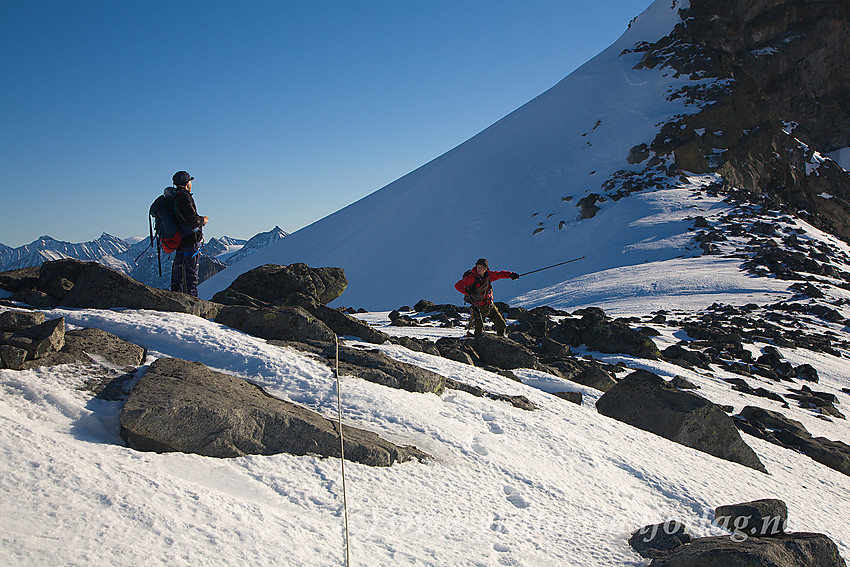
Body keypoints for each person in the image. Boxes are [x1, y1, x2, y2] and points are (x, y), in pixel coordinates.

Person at [165, 170, 209, 296]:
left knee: (178, 274)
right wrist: (203, 220)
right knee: (191, 275)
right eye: (190, 181)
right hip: (190, 240)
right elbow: (192, 220)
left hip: (179, 240)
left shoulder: (172, 198)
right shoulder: (184, 197)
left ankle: (175, 299)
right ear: (187, 183)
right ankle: (191, 302)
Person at [454, 258, 519, 336]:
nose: (479, 268)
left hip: (489, 304)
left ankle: (501, 339)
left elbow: (500, 274)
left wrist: (511, 275)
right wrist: (467, 292)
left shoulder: (489, 275)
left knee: (501, 324)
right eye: (478, 266)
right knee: (479, 330)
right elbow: (457, 285)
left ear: (485, 268)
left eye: (481, 267)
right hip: (478, 306)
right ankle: (479, 344)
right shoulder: (471, 277)